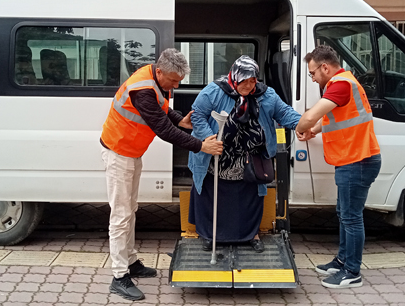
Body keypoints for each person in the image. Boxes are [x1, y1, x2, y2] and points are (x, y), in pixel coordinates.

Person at [100, 48, 223, 301]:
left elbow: (163, 111)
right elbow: (163, 130)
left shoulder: (155, 81)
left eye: (179, 81)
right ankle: (119, 276)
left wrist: (181, 119)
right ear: (159, 71)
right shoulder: (143, 88)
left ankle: (131, 262)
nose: (176, 86)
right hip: (119, 153)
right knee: (121, 215)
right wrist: (201, 145)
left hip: (131, 153)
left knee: (130, 209)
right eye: (174, 81)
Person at [188, 55, 301, 253]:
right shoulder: (214, 91)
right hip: (216, 156)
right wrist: (209, 139)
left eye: (252, 81)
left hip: (250, 159)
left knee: (250, 198)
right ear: (235, 76)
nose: (248, 86)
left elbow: (284, 113)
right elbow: (197, 115)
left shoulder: (267, 95)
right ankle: (209, 235)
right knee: (212, 197)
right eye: (244, 81)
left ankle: (251, 234)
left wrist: (302, 124)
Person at [295, 45, 381, 289]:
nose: (312, 78)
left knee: (351, 218)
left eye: (312, 73)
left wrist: (301, 127)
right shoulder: (344, 83)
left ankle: (352, 272)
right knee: (344, 214)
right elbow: (333, 117)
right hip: (352, 158)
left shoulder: (340, 84)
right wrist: (314, 131)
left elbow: (312, 115)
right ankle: (342, 260)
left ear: (325, 67)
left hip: (358, 159)